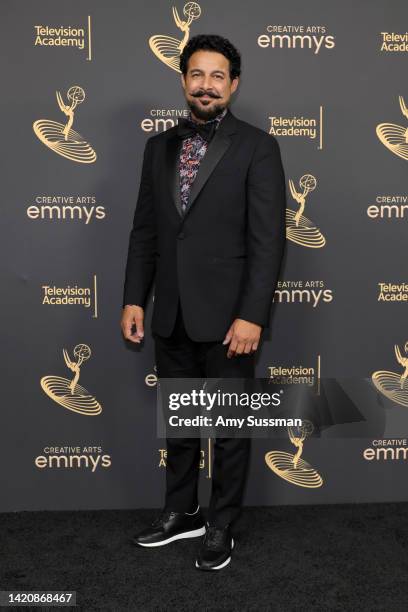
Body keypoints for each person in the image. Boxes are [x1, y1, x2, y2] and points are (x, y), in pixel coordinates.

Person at [121, 34, 286, 570]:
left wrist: (252, 315)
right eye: (197, 74)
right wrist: (134, 300)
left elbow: (268, 241)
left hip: (230, 318)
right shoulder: (158, 147)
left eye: (218, 76)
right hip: (170, 311)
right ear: (183, 80)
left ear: (233, 84)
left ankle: (222, 523)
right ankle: (181, 513)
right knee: (181, 421)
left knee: (231, 427)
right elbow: (145, 230)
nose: (206, 85)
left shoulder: (258, 147)